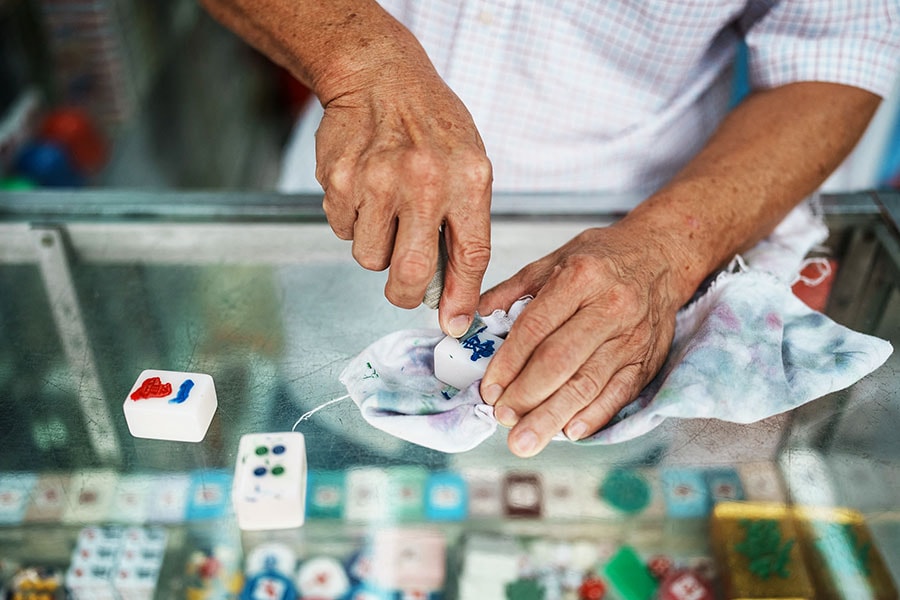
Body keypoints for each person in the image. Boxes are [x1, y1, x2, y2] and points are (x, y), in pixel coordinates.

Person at [200, 0, 898, 457]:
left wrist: (669, 252)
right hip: (348, 247)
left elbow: (841, 53)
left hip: (617, 315)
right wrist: (355, 54)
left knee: (559, 542)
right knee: (327, 499)